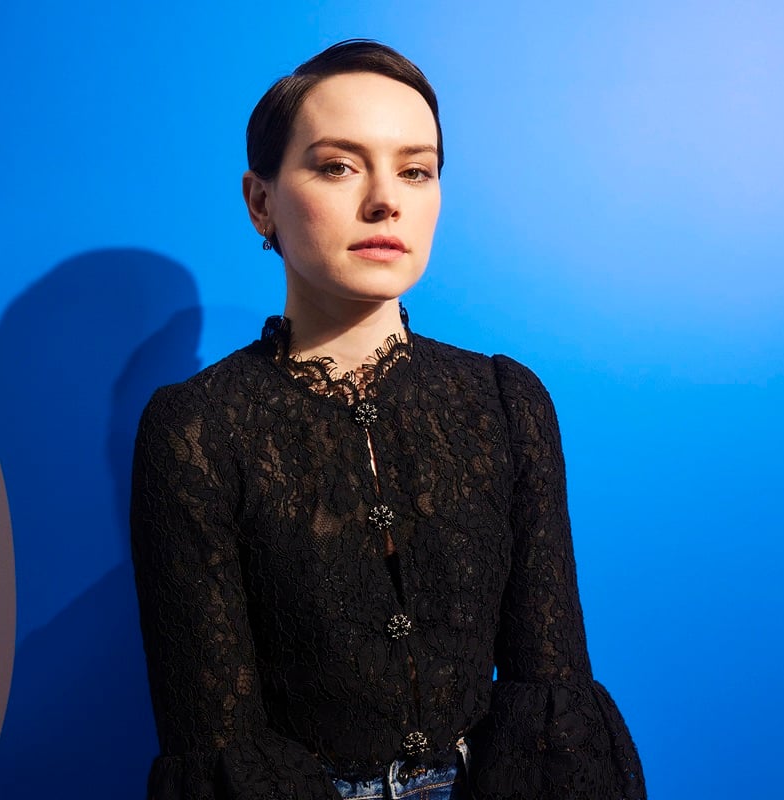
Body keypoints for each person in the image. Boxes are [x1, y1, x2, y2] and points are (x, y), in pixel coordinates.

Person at [130, 40, 646, 800]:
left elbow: (550, 679)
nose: (385, 200)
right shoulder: (198, 428)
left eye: (416, 170)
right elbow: (215, 736)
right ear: (261, 201)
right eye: (339, 166)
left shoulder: (506, 400)